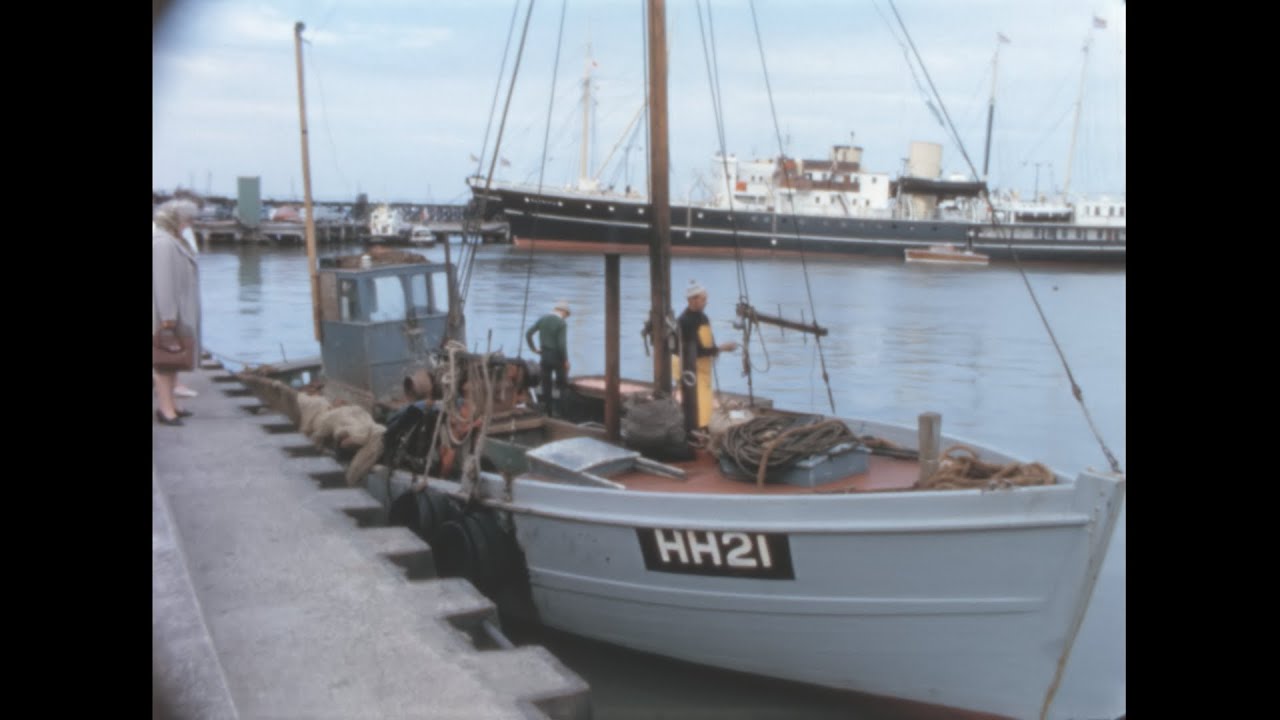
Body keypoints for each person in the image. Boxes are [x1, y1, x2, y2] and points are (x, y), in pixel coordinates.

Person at [153, 196, 204, 426]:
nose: (190, 224)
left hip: (180, 312)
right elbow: (162, 282)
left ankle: (173, 404)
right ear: (176, 219)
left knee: (174, 361)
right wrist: (168, 318)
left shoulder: (176, 241)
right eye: (188, 219)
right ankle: (165, 409)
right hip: (168, 315)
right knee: (164, 363)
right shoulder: (163, 243)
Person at [676, 281, 738, 431]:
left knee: (706, 402)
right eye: (703, 299)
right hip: (691, 369)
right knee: (698, 403)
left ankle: (703, 427)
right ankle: (697, 430)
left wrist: (716, 350)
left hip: (704, 368)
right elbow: (695, 351)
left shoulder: (703, 317)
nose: (706, 302)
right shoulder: (686, 321)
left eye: (705, 298)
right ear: (692, 300)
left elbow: (708, 343)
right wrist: (722, 348)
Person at [525, 300, 571, 417]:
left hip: (544, 356)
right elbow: (561, 345)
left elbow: (528, 333)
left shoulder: (543, 319)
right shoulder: (561, 324)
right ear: (563, 311)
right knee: (562, 385)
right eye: (566, 315)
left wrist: (534, 349)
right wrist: (565, 360)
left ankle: (548, 412)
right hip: (557, 357)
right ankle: (563, 413)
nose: (566, 317)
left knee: (546, 384)